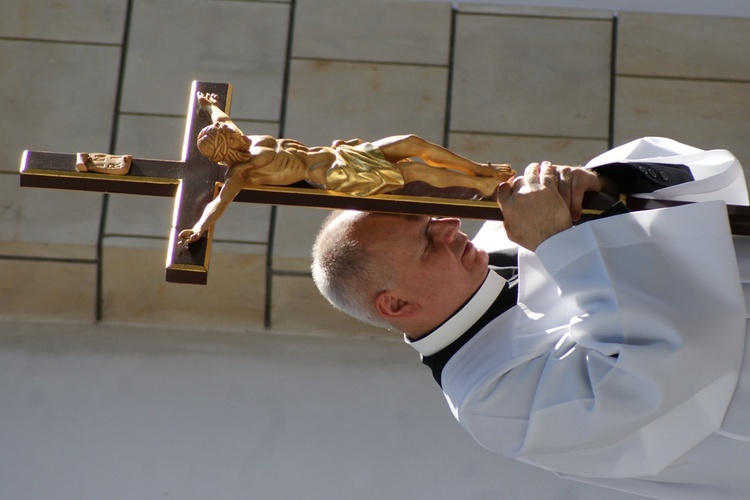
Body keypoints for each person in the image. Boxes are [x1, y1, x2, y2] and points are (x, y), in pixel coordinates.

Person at [311, 137, 750, 499]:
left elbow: (711, 181)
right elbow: (675, 363)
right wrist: (561, 242)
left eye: (431, 217)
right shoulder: (492, 401)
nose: (451, 225)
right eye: (427, 240)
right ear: (397, 305)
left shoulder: (504, 229)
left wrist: (601, 184)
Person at [177, 93, 514, 244]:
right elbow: (218, 203)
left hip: (342, 154)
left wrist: (209, 107)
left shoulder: (249, 139)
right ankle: (485, 188)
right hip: (339, 176)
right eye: (229, 135)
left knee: (412, 142)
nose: (234, 131)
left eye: (230, 130)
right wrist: (200, 228)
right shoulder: (243, 174)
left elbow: (225, 120)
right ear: (226, 150)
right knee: (414, 171)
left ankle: (478, 170)